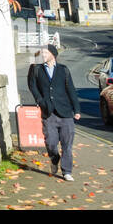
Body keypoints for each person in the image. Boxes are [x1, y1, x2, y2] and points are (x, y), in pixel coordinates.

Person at [27, 44, 81, 181]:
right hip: (48, 112)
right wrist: (40, 100)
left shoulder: (64, 70)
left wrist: (77, 110)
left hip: (66, 112)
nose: (43, 55)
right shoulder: (36, 69)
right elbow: (32, 86)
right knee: (51, 142)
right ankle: (54, 157)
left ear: (53, 54)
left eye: (46, 52)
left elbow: (71, 90)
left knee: (67, 144)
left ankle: (67, 171)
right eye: (42, 53)